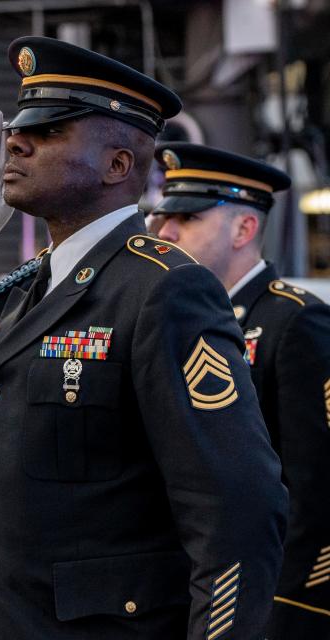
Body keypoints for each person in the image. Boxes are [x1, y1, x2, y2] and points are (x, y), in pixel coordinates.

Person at [0, 36, 288, 639]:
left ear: (117, 165)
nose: (15, 143)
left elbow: (238, 512)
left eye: (48, 133)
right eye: (20, 129)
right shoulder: (24, 291)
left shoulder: (163, 290)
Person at [151, 142, 330, 637]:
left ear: (244, 229)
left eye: (186, 218)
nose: (165, 230)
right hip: (188, 591)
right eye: (165, 217)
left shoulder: (293, 321)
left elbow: (316, 489)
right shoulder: (180, 322)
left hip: (266, 600)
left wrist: (293, 608)